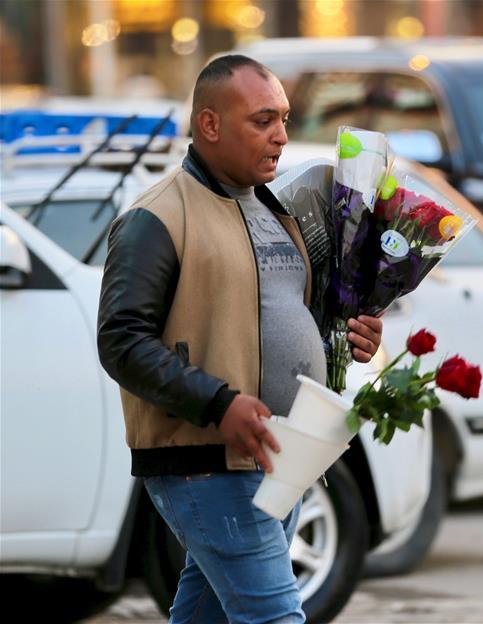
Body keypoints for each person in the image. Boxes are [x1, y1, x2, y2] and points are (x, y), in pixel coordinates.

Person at [97, 55, 383, 624]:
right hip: (207, 463)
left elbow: (278, 317)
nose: (281, 135)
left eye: (283, 118)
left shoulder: (277, 210)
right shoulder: (158, 217)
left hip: (282, 457)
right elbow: (122, 341)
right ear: (210, 124)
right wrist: (219, 403)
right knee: (275, 616)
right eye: (262, 120)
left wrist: (348, 333)